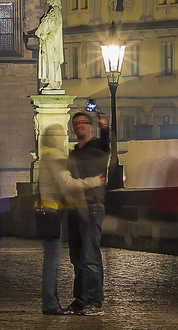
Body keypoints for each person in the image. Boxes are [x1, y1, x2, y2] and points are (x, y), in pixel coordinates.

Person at [37, 125, 93, 315]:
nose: (63, 137)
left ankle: (50, 302)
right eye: (60, 134)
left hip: (48, 210)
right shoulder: (54, 156)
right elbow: (67, 182)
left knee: (50, 261)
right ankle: (50, 304)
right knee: (52, 262)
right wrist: (94, 181)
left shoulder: (46, 155)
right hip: (53, 211)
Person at [66, 109, 110, 315]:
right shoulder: (73, 153)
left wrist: (106, 130)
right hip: (75, 207)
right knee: (76, 257)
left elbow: (107, 143)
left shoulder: (98, 146)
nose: (79, 126)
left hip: (92, 205)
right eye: (76, 124)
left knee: (90, 255)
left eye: (83, 122)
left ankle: (94, 301)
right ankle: (81, 299)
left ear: (90, 126)